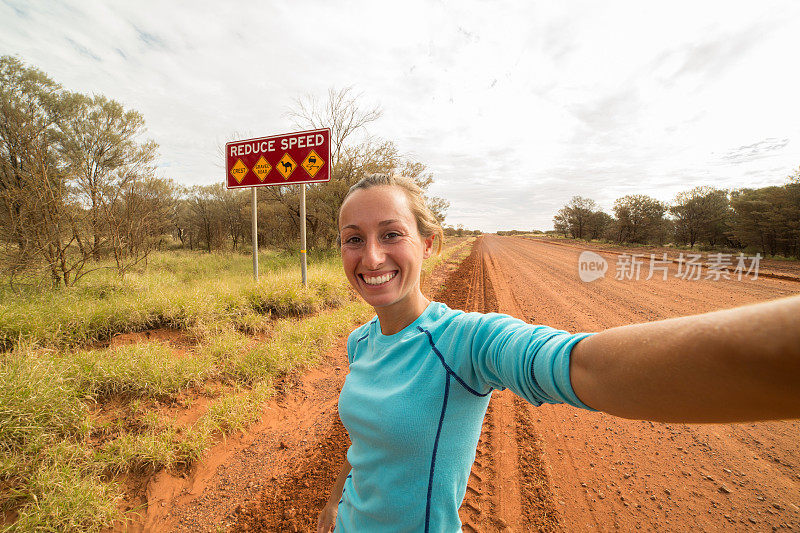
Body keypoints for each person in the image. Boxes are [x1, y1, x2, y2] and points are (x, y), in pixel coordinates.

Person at [316, 173, 800, 533]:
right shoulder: (361, 342)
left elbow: (585, 365)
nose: (372, 256)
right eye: (353, 239)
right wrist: (333, 503)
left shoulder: (465, 341)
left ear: (428, 244)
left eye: (391, 234)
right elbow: (365, 438)